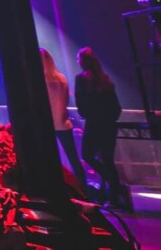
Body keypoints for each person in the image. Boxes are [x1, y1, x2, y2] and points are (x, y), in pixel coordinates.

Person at [75, 47, 129, 209]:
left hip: (93, 124)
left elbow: (81, 105)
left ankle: (115, 185)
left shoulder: (81, 79)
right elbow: (116, 107)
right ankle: (114, 196)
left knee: (87, 155)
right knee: (108, 160)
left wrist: (87, 115)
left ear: (82, 61)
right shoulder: (105, 79)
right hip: (109, 125)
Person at [41, 48, 89, 196]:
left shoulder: (39, 80)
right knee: (73, 158)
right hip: (63, 123)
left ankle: (53, 189)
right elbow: (66, 100)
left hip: (47, 124)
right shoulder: (61, 78)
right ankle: (83, 189)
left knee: (48, 159)